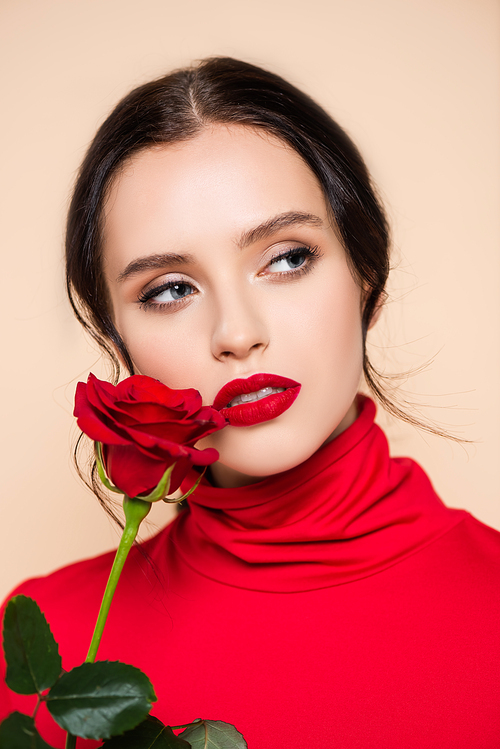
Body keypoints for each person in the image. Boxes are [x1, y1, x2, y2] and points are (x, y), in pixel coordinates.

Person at [1, 57, 499, 748]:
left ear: (367, 276)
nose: (237, 334)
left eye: (287, 257)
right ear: (117, 341)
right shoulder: (44, 652)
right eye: (170, 288)